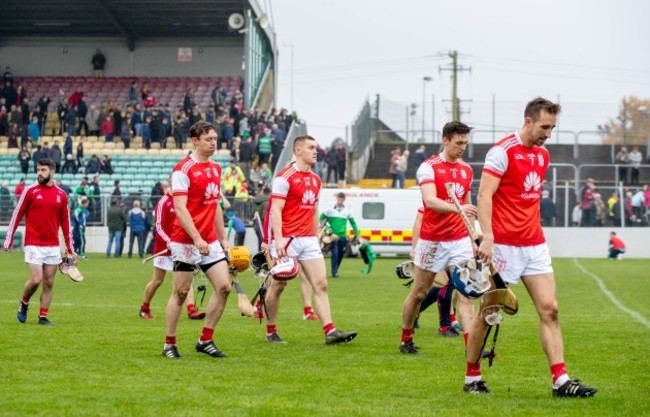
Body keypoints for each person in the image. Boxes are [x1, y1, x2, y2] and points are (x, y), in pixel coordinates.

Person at [469, 97, 596, 397]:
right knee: (488, 313)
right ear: (528, 121)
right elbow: (485, 196)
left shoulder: (543, 155)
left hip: (534, 245)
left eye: (552, 128)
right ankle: (472, 376)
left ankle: (560, 381)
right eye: (543, 127)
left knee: (550, 310)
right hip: (502, 247)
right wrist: (487, 236)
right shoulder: (501, 151)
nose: (547, 134)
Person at [265, 135, 357, 345]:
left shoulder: (316, 179)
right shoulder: (283, 177)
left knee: (321, 284)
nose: (316, 151)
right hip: (287, 239)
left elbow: (314, 210)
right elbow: (275, 211)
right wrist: (278, 240)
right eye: (311, 147)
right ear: (298, 151)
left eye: (316, 147)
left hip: (308, 240)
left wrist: (316, 234)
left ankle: (330, 331)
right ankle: (271, 331)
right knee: (279, 286)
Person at [400, 121, 477, 355]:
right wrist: (459, 210)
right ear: (445, 140)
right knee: (419, 293)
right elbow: (430, 201)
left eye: (465, 143)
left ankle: (471, 347)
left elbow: (469, 205)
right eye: (458, 143)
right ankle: (406, 338)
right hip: (432, 240)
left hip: (460, 240)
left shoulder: (467, 170)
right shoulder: (428, 167)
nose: (462, 147)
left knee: (466, 293)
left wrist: (473, 238)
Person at [163, 121, 231, 359]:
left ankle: (205, 339)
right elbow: (180, 209)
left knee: (224, 287)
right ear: (195, 140)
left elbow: (215, 205)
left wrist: (222, 238)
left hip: (209, 240)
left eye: (215, 138)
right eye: (209, 139)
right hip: (185, 241)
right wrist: (196, 237)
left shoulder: (216, 168)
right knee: (181, 293)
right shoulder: (183, 170)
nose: (214, 142)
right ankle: (169, 343)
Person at [2, 158, 76, 325]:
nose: (39, 173)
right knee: (36, 279)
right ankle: (24, 303)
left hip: (52, 246)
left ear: (52, 172)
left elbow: (66, 222)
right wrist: (8, 239)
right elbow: (17, 214)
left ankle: (43, 317)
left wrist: (70, 248)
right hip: (33, 243)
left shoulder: (61, 195)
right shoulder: (30, 191)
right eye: (38, 170)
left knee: (49, 282)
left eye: (43, 170)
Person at [139, 184, 205, 320]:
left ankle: (191, 310)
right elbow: (158, 225)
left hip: (180, 247)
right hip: (164, 248)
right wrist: (169, 241)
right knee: (157, 281)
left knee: (186, 280)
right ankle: (144, 308)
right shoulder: (164, 202)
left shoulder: (184, 201)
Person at [319, 192, 359, 278]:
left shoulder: (348, 211)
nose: (340, 201)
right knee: (335, 253)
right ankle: (334, 272)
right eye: (339, 199)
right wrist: (326, 230)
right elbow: (320, 218)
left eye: (342, 199)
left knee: (341, 254)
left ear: (344, 199)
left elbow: (353, 223)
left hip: (343, 236)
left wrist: (357, 234)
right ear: (336, 198)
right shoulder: (329, 209)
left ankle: (335, 269)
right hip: (332, 236)